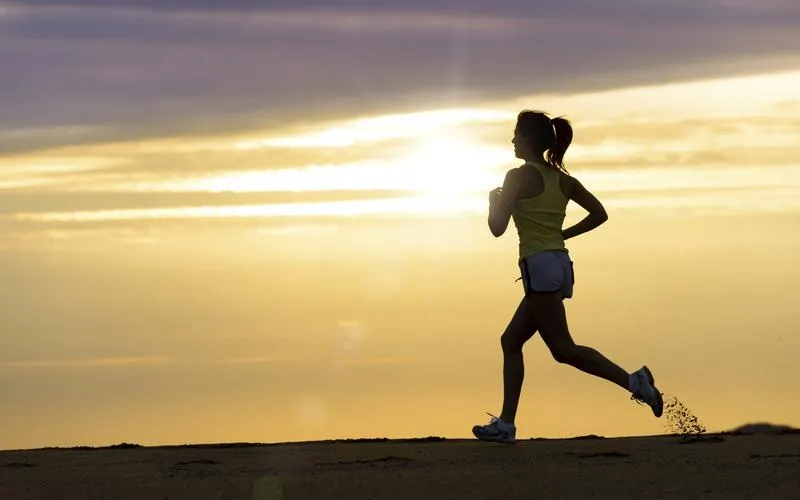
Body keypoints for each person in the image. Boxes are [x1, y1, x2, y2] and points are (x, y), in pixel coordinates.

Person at [472, 110, 663, 444]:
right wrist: (562, 235)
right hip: (560, 265)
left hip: (539, 266)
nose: (513, 139)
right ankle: (506, 424)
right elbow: (599, 214)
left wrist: (493, 202)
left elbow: (497, 228)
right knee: (511, 340)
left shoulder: (516, 177)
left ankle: (635, 382)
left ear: (529, 139)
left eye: (517, 134)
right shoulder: (562, 180)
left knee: (563, 349)